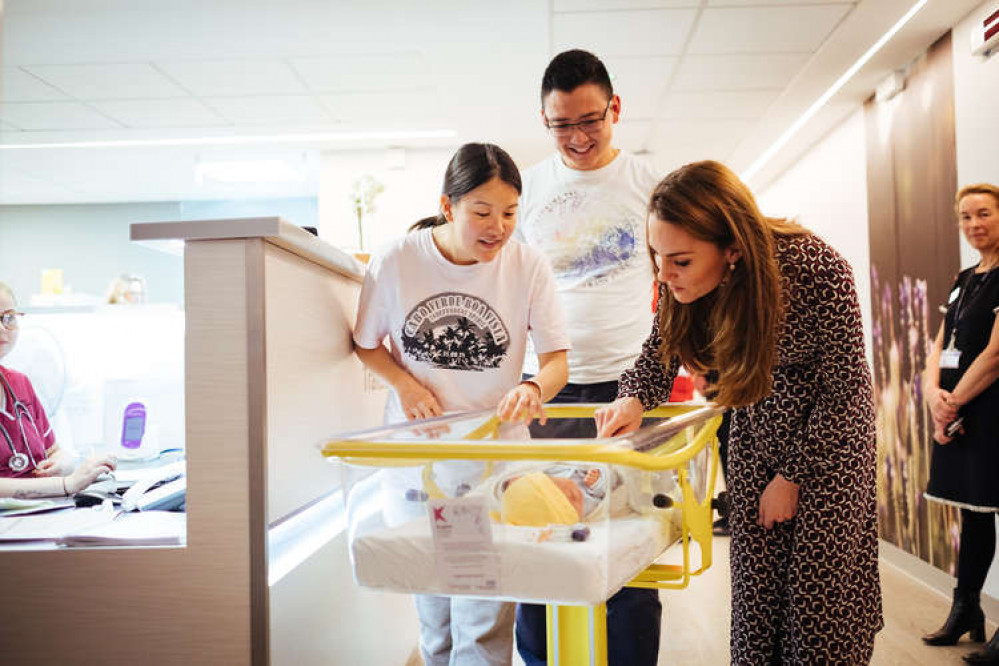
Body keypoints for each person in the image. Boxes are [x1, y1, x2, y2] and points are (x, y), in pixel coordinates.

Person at [595, 161, 883, 664]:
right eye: (657, 257)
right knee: (757, 601)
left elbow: (847, 387)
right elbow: (659, 349)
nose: (665, 273)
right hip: (756, 434)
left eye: (680, 261)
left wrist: (793, 477)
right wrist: (633, 398)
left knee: (818, 607)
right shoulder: (681, 283)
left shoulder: (815, 268)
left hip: (830, 446)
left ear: (732, 249)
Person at [352, 142, 570, 666]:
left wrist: (533, 388)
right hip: (418, 461)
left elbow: (558, 361)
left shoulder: (527, 265)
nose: (498, 226)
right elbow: (365, 344)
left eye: (510, 213)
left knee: (484, 613)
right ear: (448, 207)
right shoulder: (399, 258)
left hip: (492, 459)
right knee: (434, 609)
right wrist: (405, 386)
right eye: (482, 212)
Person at [514, 48, 663, 666]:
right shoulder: (525, 189)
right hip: (543, 386)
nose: (576, 137)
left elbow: (677, 282)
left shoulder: (650, 186)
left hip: (628, 386)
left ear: (615, 110)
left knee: (628, 549)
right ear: (544, 120)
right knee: (538, 539)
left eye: (589, 120)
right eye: (561, 125)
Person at [922, 183, 999, 665]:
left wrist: (953, 403)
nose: (974, 224)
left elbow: (995, 354)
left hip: (990, 408)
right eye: (966, 217)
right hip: (958, 406)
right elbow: (939, 344)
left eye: (985, 214)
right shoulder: (964, 277)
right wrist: (933, 394)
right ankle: (966, 609)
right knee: (973, 511)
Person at [0, 282, 117, 498]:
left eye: (9, 317)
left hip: (38, 513)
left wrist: (63, 464)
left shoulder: (19, 384)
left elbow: (54, 451)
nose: (2, 328)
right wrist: (65, 484)